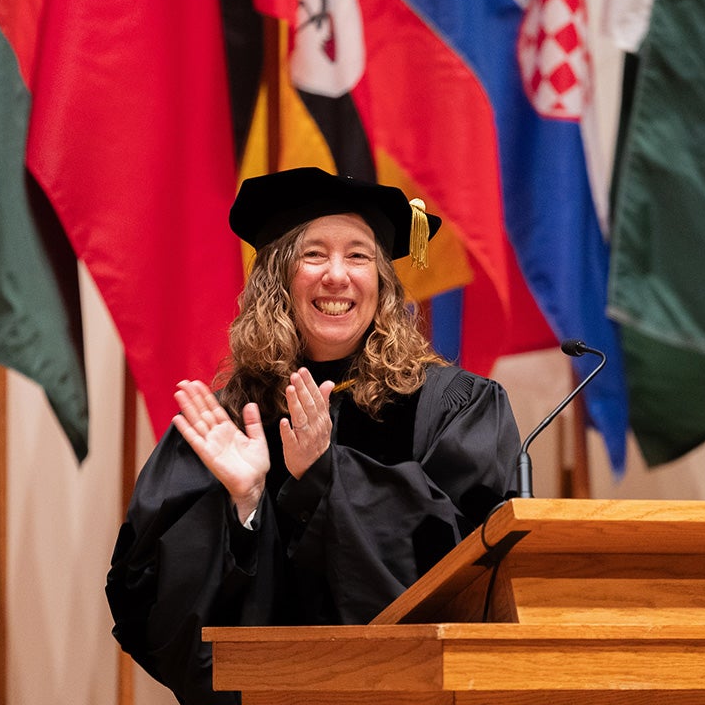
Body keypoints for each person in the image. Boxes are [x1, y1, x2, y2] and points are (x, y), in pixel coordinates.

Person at [105, 167, 520, 704]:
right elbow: (147, 601)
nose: (337, 276)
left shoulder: (452, 407)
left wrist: (328, 477)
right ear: (277, 278)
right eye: (314, 254)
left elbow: (473, 566)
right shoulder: (229, 419)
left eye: (358, 255)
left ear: (383, 282)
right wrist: (245, 511)